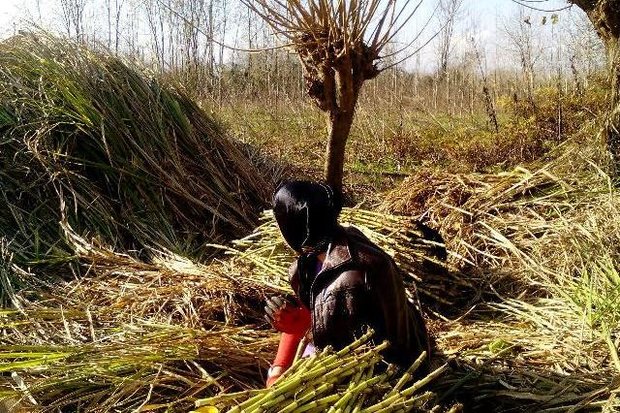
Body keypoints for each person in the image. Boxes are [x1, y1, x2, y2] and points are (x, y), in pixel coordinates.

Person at [264, 180, 430, 387]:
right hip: (331, 357)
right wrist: (278, 370)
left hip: (380, 375)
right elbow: (308, 314)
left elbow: (363, 349)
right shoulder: (307, 263)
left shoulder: (357, 275)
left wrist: (304, 330)